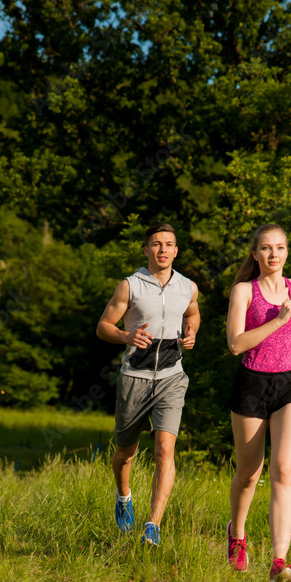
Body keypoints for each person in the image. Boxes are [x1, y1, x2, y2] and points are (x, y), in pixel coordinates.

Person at [226, 224, 291, 582]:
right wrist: (278, 320)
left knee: (284, 468)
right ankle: (237, 532)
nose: (273, 254)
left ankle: (279, 560)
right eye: (266, 249)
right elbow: (235, 344)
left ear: (287, 252)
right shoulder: (243, 292)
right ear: (255, 254)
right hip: (252, 384)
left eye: (279, 248)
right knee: (249, 473)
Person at [96, 224, 200, 545]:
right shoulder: (130, 286)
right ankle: (123, 496)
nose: (163, 250)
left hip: (171, 377)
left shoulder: (188, 287)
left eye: (169, 244)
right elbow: (103, 327)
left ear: (176, 251)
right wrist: (127, 335)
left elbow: (192, 314)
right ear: (146, 250)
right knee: (125, 455)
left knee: (164, 450)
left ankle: (153, 526)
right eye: (156, 244)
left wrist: (191, 331)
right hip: (135, 378)